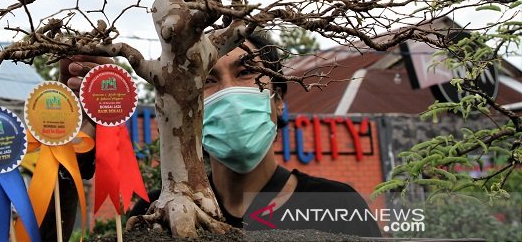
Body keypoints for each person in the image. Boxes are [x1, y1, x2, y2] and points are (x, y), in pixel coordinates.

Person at [66, 32, 382, 237]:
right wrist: (80, 145)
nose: (229, 92)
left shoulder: (336, 205)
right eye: (208, 79)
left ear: (279, 99)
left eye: (245, 72)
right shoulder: (158, 215)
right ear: (187, 109)